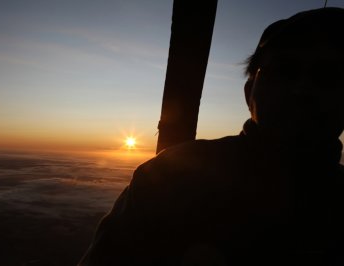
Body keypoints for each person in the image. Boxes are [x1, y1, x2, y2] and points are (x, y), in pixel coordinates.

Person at [78, 8, 344, 266]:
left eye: (329, 76)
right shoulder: (170, 177)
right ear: (249, 92)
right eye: (284, 72)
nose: (303, 89)